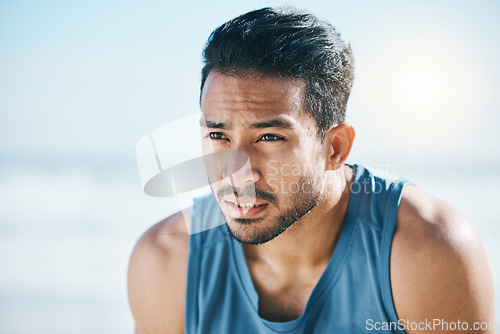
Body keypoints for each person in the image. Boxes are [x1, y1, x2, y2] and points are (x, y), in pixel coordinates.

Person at [128, 7, 495, 334]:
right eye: (218, 135)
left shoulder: (428, 253)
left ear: (335, 148)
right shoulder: (165, 261)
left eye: (269, 137)